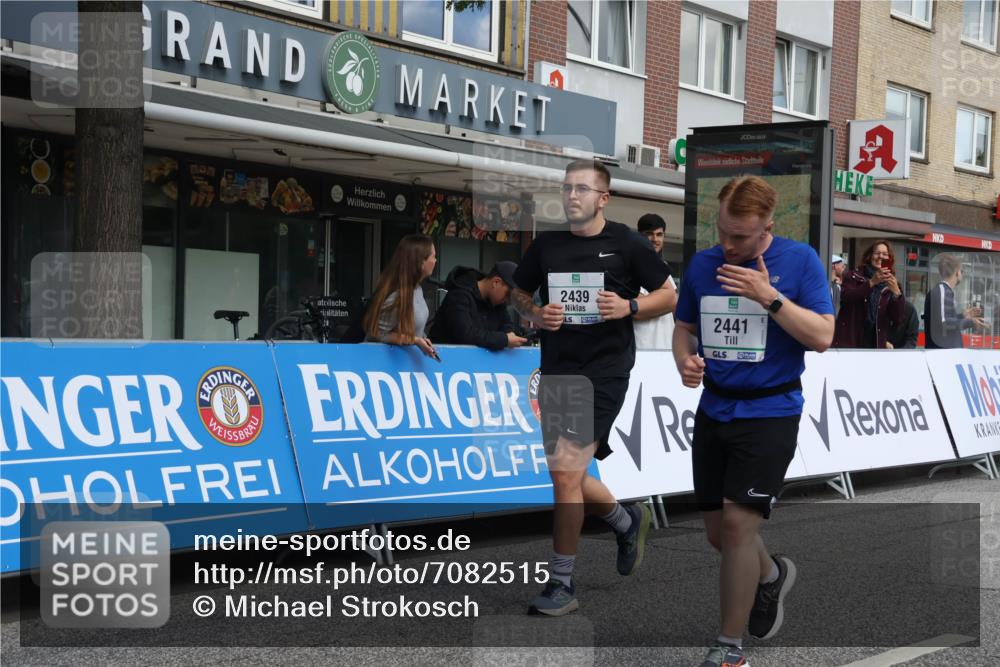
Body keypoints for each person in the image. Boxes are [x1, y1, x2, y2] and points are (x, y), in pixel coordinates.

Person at [672, 175, 834, 667]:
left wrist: (770, 297)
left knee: (738, 527)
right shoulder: (703, 264)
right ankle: (770, 575)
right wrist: (684, 361)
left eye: (739, 236)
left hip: (771, 411)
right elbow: (684, 328)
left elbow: (822, 337)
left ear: (767, 225)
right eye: (722, 231)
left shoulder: (800, 261)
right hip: (714, 408)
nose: (727, 244)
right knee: (717, 535)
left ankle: (729, 649)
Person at [510, 159, 677, 616]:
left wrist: (629, 307)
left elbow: (669, 295)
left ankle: (561, 583)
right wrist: (535, 313)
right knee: (568, 475)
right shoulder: (547, 245)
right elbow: (518, 293)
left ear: (603, 198)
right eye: (567, 188)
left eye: (582, 189)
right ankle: (626, 520)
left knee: (565, 473)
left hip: (605, 370)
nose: (572, 196)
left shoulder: (627, 243)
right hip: (559, 369)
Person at [363, 234, 440, 359]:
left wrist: (422, 339)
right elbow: (376, 334)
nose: (435, 261)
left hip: (405, 364)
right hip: (383, 364)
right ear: (421, 262)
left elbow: (412, 329)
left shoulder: (417, 289)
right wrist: (415, 340)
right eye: (433, 256)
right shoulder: (397, 296)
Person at [428, 261, 528, 350]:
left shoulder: (496, 302)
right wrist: (504, 340)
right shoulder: (459, 295)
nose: (508, 300)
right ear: (496, 282)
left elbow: (507, 325)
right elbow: (465, 335)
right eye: (508, 294)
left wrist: (509, 336)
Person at [831, 240, 904, 349]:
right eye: (877, 253)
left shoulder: (892, 283)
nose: (880, 256)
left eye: (885, 254)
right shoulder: (853, 276)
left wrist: (897, 294)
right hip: (852, 341)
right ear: (869, 256)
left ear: (889, 258)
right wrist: (871, 282)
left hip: (876, 344)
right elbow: (846, 297)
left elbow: (898, 318)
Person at [924, 253, 987, 349]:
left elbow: (944, 320)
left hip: (945, 352)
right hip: (943, 353)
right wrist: (971, 322)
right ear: (957, 273)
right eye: (962, 271)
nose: (962, 274)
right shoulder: (942, 291)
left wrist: (963, 316)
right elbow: (944, 323)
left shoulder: (943, 291)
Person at [634, 213, 678, 349]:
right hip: (641, 349)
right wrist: (669, 302)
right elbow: (636, 311)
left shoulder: (664, 267)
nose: (655, 239)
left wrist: (658, 303)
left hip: (667, 348)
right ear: (639, 235)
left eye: (659, 234)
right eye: (649, 234)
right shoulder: (630, 266)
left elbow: (675, 305)